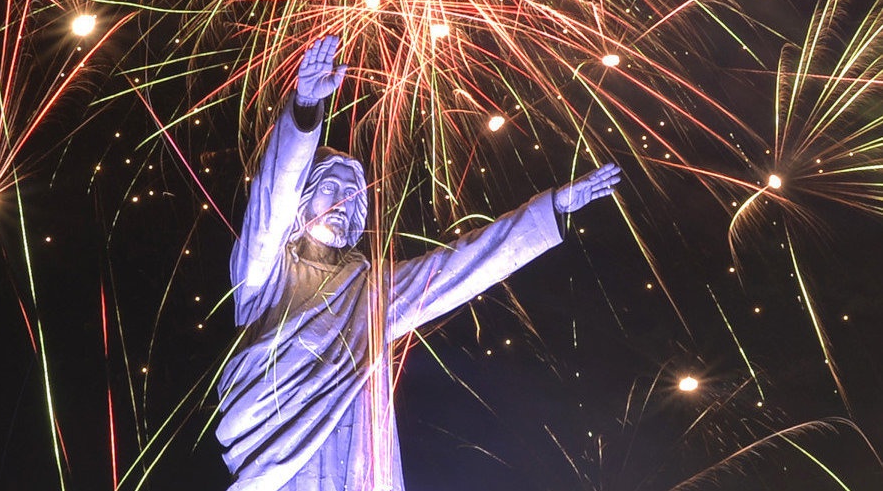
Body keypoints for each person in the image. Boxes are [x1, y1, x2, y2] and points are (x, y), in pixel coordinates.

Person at [216, 35, 621, 491]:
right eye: (331, 188)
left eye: (354, 198)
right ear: (303, 201)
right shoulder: (264, 272)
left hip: (360, 458)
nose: (343, 205)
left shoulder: (372, 290)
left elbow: (463, 266)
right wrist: (306, 108)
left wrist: (549, 210)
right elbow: (272, 196)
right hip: (274, 461)